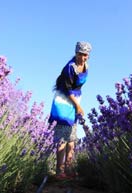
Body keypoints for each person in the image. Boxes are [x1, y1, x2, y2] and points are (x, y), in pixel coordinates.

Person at [48, 41, 92, 180]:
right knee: (62, 137)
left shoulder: (86, 65)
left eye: (85, 55)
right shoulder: (70, 67)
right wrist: (78, 106)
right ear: (76, 53)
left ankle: (69, 169)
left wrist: (78, 104)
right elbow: (67, 90)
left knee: (72, 137)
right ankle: (59, 172)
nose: (82, 57)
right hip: (63, 101)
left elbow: (78, 86)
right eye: (80, 54)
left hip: (75, 101)